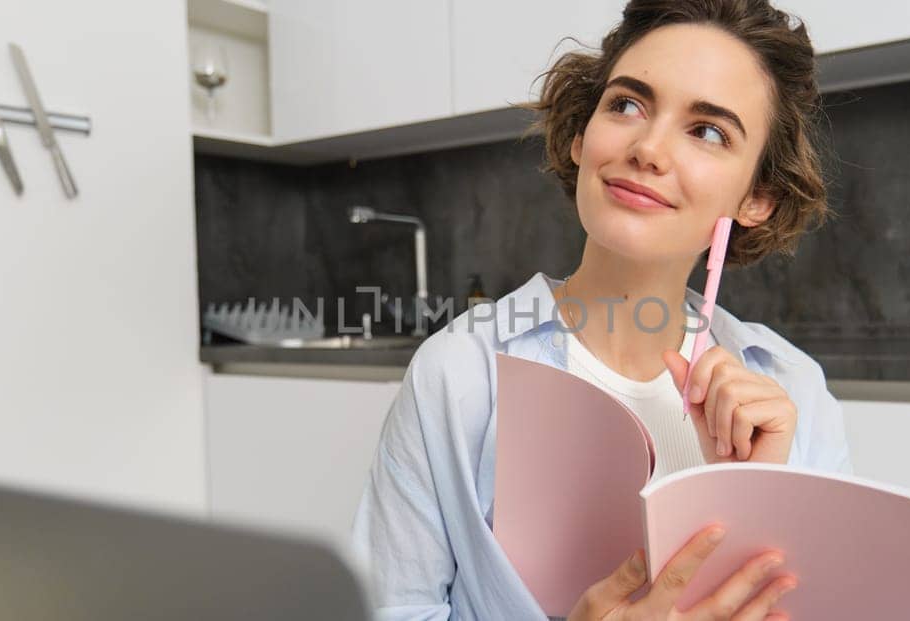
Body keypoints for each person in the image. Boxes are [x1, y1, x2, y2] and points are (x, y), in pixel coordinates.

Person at [351, 1, 849, 619]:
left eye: (709, 131)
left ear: (758, 198)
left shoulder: (793, 393)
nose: (648, 148)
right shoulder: (461, 373)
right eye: (627, 104)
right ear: (582, 137)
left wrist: (762, 502)